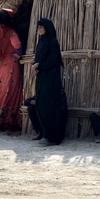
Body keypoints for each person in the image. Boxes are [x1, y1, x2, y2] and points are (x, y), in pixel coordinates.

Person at [26, 18, 68, 146]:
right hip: (42, 78)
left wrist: (40, 65)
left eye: (41, 27)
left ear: (47, 29)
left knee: (48, 107)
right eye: (38, 27)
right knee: (40, 105)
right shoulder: (41, 42)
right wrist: (35, 66)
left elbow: (53, 60)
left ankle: (50, 137)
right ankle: (43, 133)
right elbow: (39, 59)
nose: (39, 29)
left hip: (51, 80)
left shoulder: (52, 42)